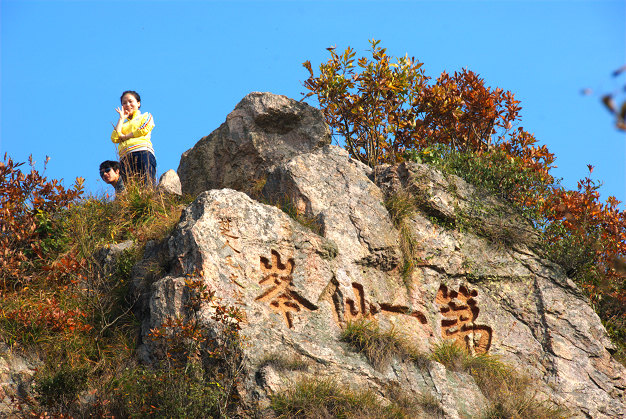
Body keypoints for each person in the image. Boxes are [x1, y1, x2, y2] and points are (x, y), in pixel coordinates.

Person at [111, 90, 156, 186]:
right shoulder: (122, 124)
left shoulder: (145, 116)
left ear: (138, 103)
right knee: (130, 187)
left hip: (142, 151)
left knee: (147, 182)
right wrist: (121, 119)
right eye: (124, 103)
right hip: (125, 157)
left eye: (130, 101)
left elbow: (144, 128)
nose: (127, 104)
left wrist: (125, 136)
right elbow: (115, 138)